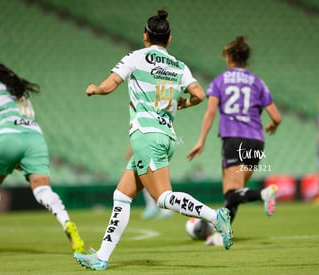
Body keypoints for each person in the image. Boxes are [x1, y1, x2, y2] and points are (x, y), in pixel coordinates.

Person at [73, 10, 233, 271]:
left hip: (146, 136)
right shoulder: (179, 66)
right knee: (122, 196)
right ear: (169, 39)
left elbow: (111, 84)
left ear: (145, 36)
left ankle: (215, 216)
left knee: (162, 198)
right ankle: (101, 257)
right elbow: (200, 95)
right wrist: (183, 104)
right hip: (166, 136)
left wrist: (95, 89)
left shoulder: (136, 57)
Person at [0, 63, 84, 253]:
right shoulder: (20, 92)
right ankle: (66, 221)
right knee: (43, 189)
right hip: (35, 139)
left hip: (9, 136)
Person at [187, 36, 281, 246]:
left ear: (229, 59)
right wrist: (272, 125)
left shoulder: (220, 80)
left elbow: (210, 112)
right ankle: (222, 235)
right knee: (235, 194)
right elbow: (277, 117)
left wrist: (201, 140)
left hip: (234, 139)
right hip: (257, 141)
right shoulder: (258, 82)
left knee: (231, 192)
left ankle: (265, 193)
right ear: (246, 60)